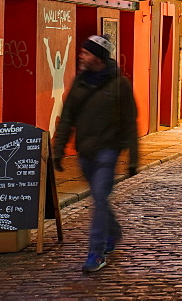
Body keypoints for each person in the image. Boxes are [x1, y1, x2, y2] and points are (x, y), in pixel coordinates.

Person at [52, 35, 138, 274]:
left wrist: (133, 158)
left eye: (86, 53)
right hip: (85, 152)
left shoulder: (120, 85)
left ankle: (96, 253)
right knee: (100, 199)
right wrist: (58, 150)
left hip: (108, 152)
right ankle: (114, 231)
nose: (81, 56)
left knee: (99, 199)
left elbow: (130, 122)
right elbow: (67, 116)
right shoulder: (80, 83)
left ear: (98, 58)